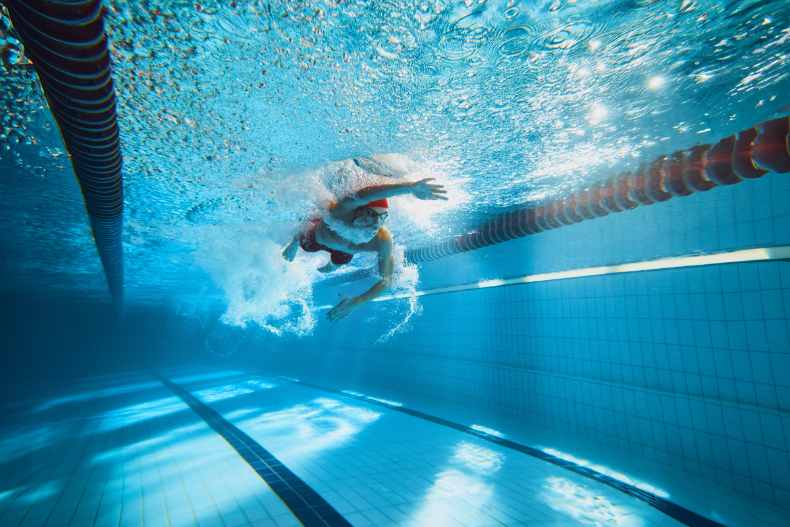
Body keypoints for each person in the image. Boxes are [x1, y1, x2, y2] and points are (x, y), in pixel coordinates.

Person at [282, 178, 447, 321]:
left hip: (344, 252)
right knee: (307, 245)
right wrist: (408, 187)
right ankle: (295, 242)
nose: (376, 224)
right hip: (318, 239)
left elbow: (387, 281)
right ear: (359, 211)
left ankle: (332, 266)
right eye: (371, 214)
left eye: (383, 217)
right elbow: (360, 197)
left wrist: (358, 301)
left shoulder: (382, 240)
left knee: (340, 260)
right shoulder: (341, 213)